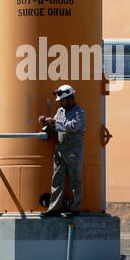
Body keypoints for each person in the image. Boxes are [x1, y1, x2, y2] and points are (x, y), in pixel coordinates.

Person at [39, 85, 86, 218]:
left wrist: (54, 122)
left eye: (63, 100)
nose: (61, 102)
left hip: (74, 151)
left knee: (75, 180)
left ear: (71, 98)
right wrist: (45, 124)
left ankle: (74, 208)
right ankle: (54, 208)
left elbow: (73, 126)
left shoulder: (80, 113)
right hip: (60, 151)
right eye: (60, 100)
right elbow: (54, 127)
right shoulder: (60, 111)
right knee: (57, 180)